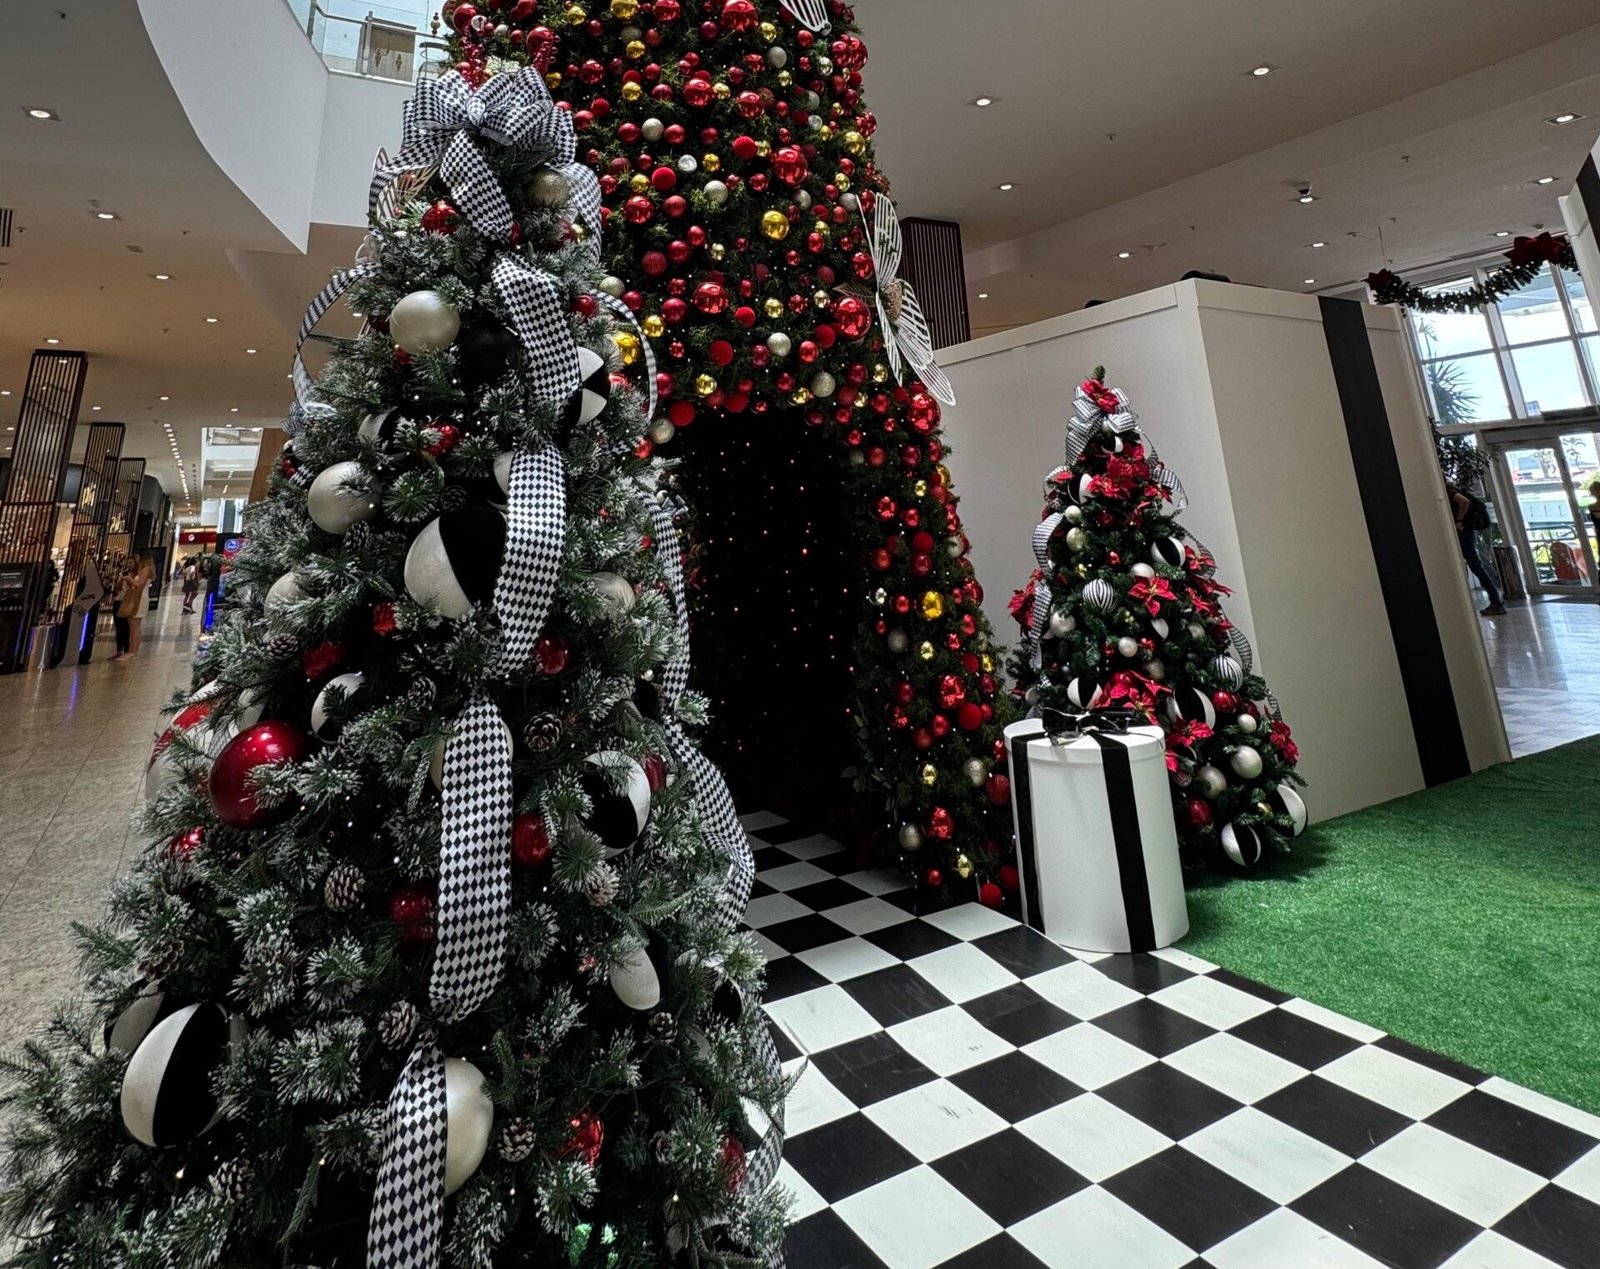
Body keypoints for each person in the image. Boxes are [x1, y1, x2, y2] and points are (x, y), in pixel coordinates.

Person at [1447, 482, 1506, 617]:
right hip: (1466, 530)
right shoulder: (1453, 487)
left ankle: (1496, 601)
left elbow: (1464, 502)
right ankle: (1495, 601)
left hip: (1463, 531)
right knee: (1475, 566)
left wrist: (1459, 520)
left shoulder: (1449, 490)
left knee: (1475, 566)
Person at [115, 553, 154, 661]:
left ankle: (133, 651)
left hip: (140, 598)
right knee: (132, 624)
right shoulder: (143, 570)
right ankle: (132, 650)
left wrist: (129, 579)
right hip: (137, 597)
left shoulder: (146, 570)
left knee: (134, 624)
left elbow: (139, 584)